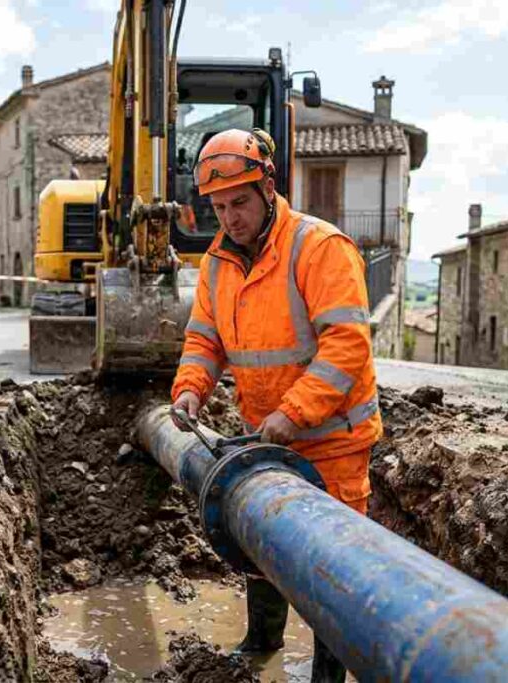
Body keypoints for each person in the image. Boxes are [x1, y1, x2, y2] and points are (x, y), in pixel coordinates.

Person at [169, 128, 382, 683]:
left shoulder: (319, 247)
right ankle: (260, 645)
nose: (230, 217)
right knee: (261, 541)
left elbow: (347, 343)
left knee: (331, 567)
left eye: (239, 202)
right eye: (218, 206)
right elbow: (204, 339)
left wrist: (293, 413)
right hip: (266, 435)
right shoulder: (217, 262)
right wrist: (191, 386)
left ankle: (327, 675)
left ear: (268, 188)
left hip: (332, 440)